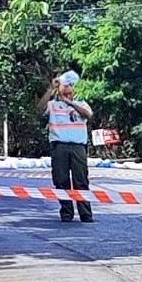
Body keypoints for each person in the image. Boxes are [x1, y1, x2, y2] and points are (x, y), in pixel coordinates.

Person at [38, 71, 93, 223]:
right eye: (64, 86)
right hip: (59, 145)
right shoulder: (53, 105)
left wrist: (70, 103)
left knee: (80, 180)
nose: (67, 89)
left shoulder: (81, 104)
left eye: (69, 86)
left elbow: (88, 115)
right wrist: (50, 89)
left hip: (77, 147)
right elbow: (40, 110)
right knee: (61, 180)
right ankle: (67, 212)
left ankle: (85, 213)